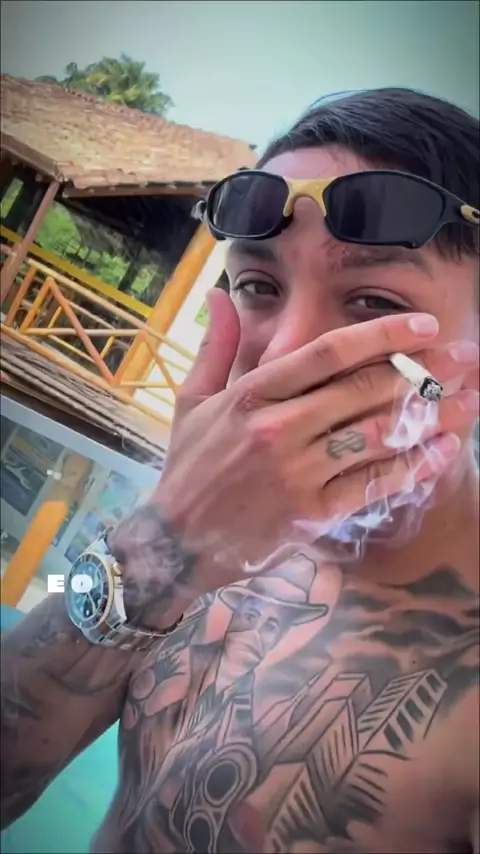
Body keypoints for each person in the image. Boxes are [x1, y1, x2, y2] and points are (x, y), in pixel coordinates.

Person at [1, 87, 479, 854]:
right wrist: (161, 547)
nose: (284, 352)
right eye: (259, 287)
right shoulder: (206, 540)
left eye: (372, 300)